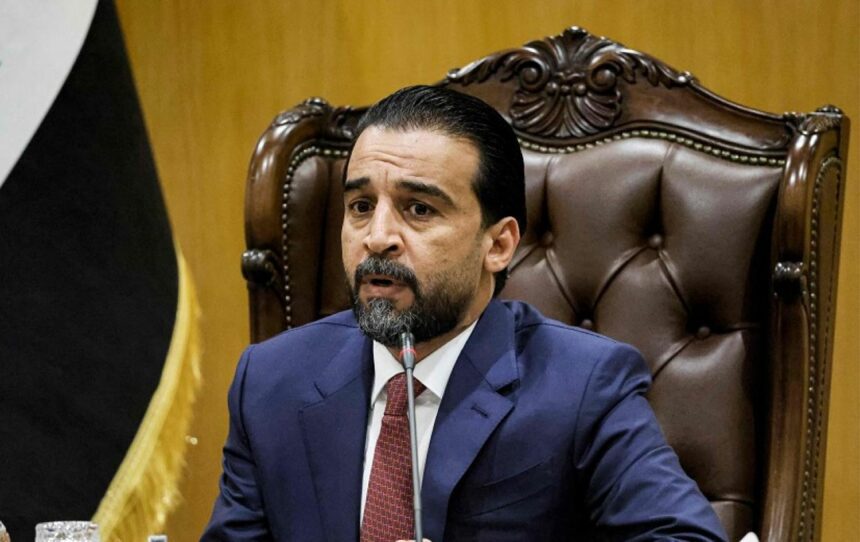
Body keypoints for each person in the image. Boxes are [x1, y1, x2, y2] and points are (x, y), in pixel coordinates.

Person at [202, 85, 728, 541]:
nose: (378, 237)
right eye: (361, 207)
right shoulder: (270, 381)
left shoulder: (583, 387)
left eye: (419, 209)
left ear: (498, 245)